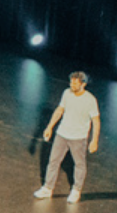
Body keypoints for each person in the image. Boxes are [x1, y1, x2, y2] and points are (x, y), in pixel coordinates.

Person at [35, 71, 100, 203]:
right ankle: (47, 188)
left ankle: (76, 191)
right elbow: (60, 110)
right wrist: (50, 127)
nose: (72, 85)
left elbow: (96, 120)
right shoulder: (66, 93)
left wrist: (94, 140)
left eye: (75, 83)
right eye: (71, 82)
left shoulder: (90, 100)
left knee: (79, 164)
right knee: (53, 161)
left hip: (78, 138)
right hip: (62, 134)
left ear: (83, 84)